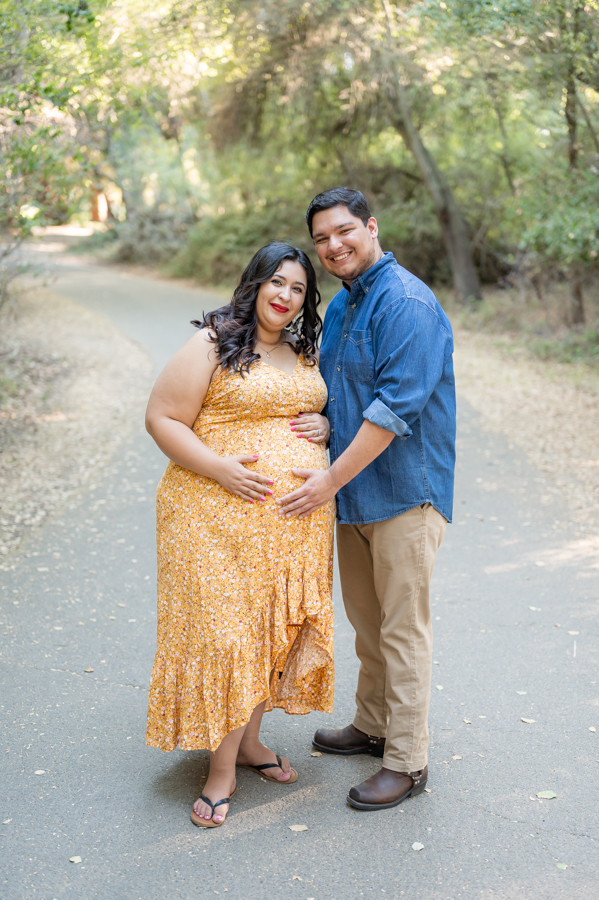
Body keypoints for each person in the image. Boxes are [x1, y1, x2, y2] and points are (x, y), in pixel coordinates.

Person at [145, 242, 335, 828]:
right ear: (254, 284)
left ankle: (250, 744)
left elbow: (311, 412)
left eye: (298, 288)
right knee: (228, 636)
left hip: (289, 528)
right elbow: (162, 416)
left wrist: (326, 424)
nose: (285, 296)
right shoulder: (213, 342)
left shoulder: (305, 352)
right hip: (209, 516)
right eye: (276, 282)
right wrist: (220, 467)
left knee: (266, 633)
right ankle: (220, 771)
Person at [277, 188, 456, 811]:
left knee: (403, 630)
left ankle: (407, 761)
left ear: (371, 227)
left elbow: (393, 410)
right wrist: (326, 425)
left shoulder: (405, 301)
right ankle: (373, 722)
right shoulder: (348, 305)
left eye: (344, 232)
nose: (333, 246)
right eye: (322, 238)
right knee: (367, 623)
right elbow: (343, 394)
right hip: (354, 496)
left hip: (406, 494)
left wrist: (325, 480)